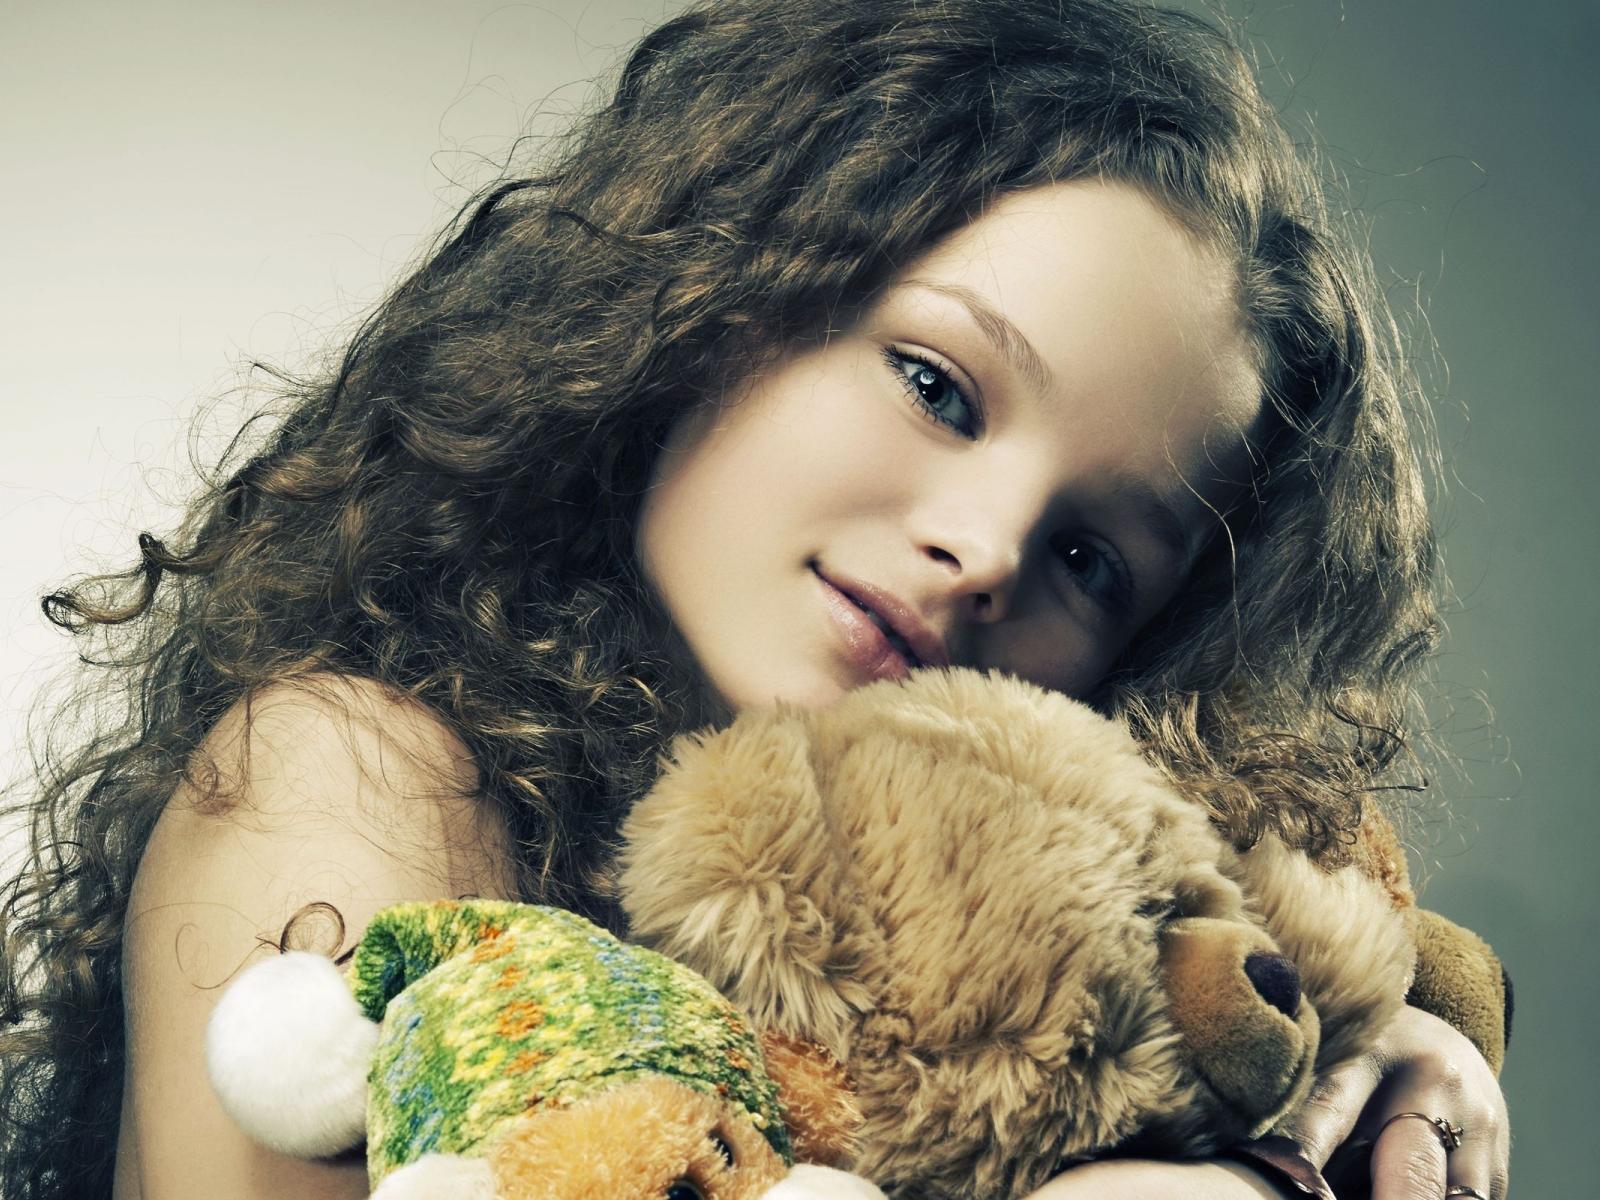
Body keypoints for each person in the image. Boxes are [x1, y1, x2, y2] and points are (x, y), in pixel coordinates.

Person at [0, 0, 1511, 1197]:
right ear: (712, 298)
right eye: (937, 385)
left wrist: (1331, 1083)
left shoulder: (947, 975)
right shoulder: (354, 771)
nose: (989, 548)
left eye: (1090, 558)